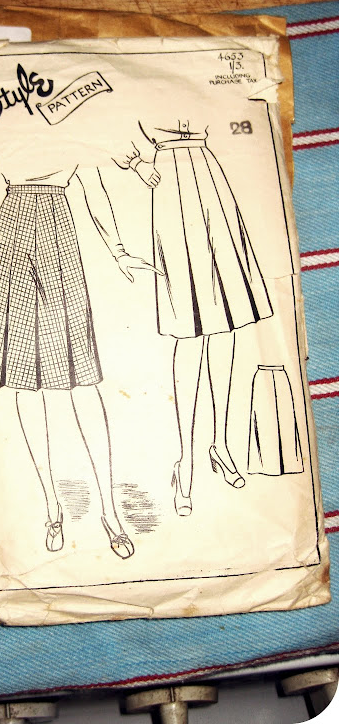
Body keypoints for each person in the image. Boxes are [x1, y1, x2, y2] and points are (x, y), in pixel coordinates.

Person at [0, 164, 160, 557]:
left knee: (82, 381)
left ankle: (109, 512)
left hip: (58, 229)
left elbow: (92, 182)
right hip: (11, 229)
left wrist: (119, 251)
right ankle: (52, 508)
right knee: (23, 380)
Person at [114, 120, 273, 515]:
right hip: (170, 182)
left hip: (208, 175)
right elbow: (104, 124)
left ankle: (219, 445)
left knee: (225, 325)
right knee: (189, 331)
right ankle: (185, 462)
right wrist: (136, 162)